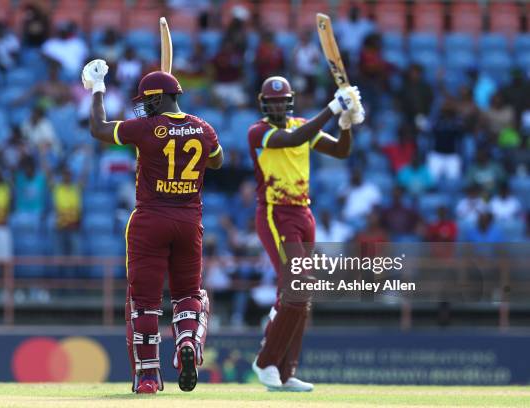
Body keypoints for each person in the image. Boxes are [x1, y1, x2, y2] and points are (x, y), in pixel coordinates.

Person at [83, 60, 223, 394]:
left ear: (159, 99)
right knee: (189, 295)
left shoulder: (145, 128)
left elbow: (99, 128)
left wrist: (98, 89)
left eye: (148, 100)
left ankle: (148, 377)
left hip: (149, 220)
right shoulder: (204, 128)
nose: (143, 107)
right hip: (189, 221)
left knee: (143, 303)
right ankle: (187, 341)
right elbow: (217, 160)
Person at [247, 76, 363, 391]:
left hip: (304, 214)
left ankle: (285, 373)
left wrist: (346, 121)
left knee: (300, 294)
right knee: (298, 286)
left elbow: (340, 151)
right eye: (271, 101)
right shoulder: (258, 132)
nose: (276, 105)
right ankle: (265, 362)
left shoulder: (302, 123)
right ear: (263, 103)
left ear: (289, 101)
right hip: (275, 213)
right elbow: (293, 139)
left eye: (281, 100)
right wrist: (333, 107)